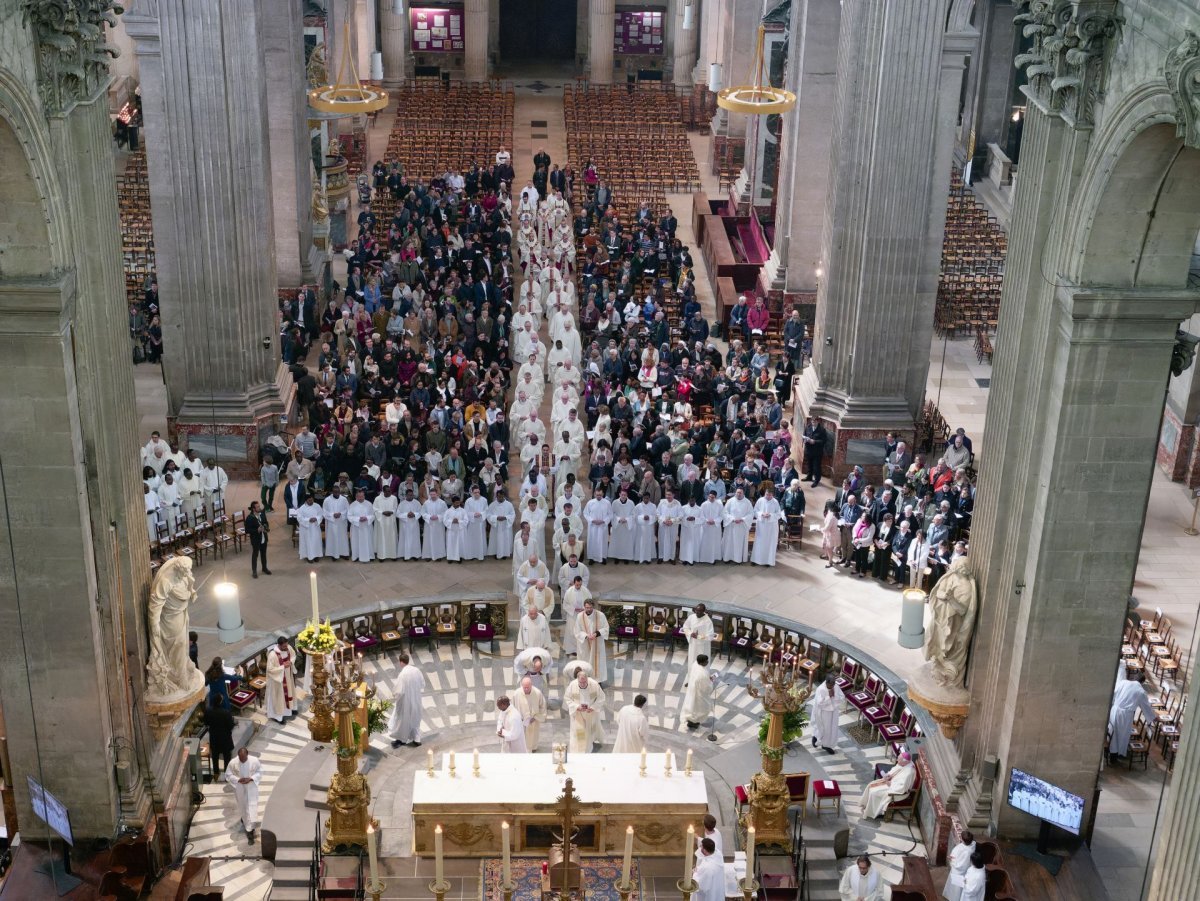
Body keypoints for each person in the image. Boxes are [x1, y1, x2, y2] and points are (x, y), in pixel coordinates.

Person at [1107, 672, 1156, 764]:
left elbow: (1114, 693)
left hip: (1115, 709)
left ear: (1134, 678)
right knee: (1121, 736)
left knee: (1113, 732)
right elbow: (1146, 707)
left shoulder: (1123, 682)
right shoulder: (1140, 691)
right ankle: (1116, 755)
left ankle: (1111, 752)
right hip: (1125, 715)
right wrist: (1152, 718)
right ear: (1142, 682)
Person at [859, 751, 916, 819]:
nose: (897, 760)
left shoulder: (909, 772)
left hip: (896, 791)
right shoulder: (904, 763)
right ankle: (866, 805)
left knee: (874, 793)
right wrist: (889, 775)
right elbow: (896, 769)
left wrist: (890, 784)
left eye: (899, 759)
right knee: (870, 785)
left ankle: (872, 812)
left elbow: (902, 787)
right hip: (890, 782)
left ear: (904, 762)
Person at [563, 668, 606, 752]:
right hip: (578, 713)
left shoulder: (594, 684)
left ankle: (588, 746)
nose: (582, 684)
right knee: (580, 732)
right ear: (577, 679)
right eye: (580, 682)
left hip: (590, 712)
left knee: (589, 731)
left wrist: (593, 707)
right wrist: (576, 707)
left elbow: (601, 697)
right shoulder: (572, 685)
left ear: (587, 679)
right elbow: (567, 698)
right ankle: (580, 748)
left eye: (584, 682)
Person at [388, 653, 425, 747]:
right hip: (416, 699)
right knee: (415, 719)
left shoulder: (403, 674)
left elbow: (398, 691)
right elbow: (422, 684)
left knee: (402, 720)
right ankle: (417, 739)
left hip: (406, 702)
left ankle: (401, 740)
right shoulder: (416, 670)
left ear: (401, 662)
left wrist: (394, 695)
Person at [225, 748, 261, 842]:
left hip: (251, 787)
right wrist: (238, 780)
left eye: (244, 758)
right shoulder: (233, 763)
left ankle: (250, 831)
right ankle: (246, 822)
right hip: (240, 788)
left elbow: (259, 772)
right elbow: (228, 775)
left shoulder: (254, 761)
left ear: (247, 755)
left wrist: (251, 778)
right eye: (240, 758)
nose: (242, 760)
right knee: (243, 807)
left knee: (252, 807)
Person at [575, 599, 610, 682]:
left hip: (597, 643)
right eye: (587, 607)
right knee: (584, 662)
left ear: (593, 607)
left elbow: (606, 628)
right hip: (585, 645)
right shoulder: (580, 616)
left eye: (590, 607)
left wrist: (596, 634)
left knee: (598, 662)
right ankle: (584, 679)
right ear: (584, 607)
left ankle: (598, 680)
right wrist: (586, 636)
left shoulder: (600, 615)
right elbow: (577, 631)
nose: (588, 609)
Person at [809, 673, 844, 754]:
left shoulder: (836, 686)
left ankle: (826, 745)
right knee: (823, 728)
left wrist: (834, 696)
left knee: (831, 729)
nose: (832, 686)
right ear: (827, 682)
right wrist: (829, 696)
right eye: (831, 684)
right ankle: (815, 737)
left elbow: (842, 697)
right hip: (823, 713)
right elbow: (819, 703)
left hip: (833, 712)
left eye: (833, 684)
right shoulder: (820, 689)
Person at [265, 636, 297, 723]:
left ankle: (291, 709)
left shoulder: (288, 647)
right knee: (279, 698)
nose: (286, 648)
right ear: (279, 645)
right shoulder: (272, 655)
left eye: (287, 645)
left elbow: (293, 655)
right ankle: (278, 717)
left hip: (288, 677)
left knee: (290, 692)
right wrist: (283, 667)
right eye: (284, 646)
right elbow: (270, 670)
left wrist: (290, 662)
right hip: (278, 680)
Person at [681, 654, 715, 729]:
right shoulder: (702, 674)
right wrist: (711, 681)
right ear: (702, 662)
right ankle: (694, 722)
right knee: (701, 708)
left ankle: (691, 721)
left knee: (692, 706)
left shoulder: (695, 664)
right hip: (699, 693)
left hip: (692, 690)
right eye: (706, 661)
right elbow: (706, 688)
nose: (707, 662)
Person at [751, 484, 783, 566]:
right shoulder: (760, 500)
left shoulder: (775, 502)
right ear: (765, 493)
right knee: (759, 542)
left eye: (770, 495)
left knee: (769, 543)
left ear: (773, 495)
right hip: (761, 526)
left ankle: (768, 561)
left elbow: (779, 514)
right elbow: (755, 511)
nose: (768, 496)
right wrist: (761, 514)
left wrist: (770, 515)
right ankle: (756, 560)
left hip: (771, 527)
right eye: (767, 495)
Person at [204, 697, 235, 775]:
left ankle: (216, 774)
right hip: (225, 739)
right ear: (221, 702)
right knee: (227, 757)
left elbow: (206, 723)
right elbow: (231, 726)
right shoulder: (226, 713)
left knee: (215, 757)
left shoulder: (208, 711)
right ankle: (227, 774)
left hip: (214, 738)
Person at [514, 676, 547, 751]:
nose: (526, 689)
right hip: (521, 721)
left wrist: (536, 717)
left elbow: (543, 706)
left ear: (531, 685)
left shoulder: (537, 693)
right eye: (524, 687)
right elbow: (512, 707)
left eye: (527, 687)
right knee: (522, 737)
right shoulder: (516, 693)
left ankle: (533, 748)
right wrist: (517, 718)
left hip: (534, 720)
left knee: (533, 735)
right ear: (521, 685)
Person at [943, 830, 976, 901]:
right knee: (960, 887)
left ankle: (953, 898)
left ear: (962, 839)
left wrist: (951, 859)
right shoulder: (973, 845)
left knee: (955, 887)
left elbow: (960, 865)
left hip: (958, 872)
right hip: (965, 871)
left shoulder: (964, 850)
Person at [722, 488, 753, 563]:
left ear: (743, 493)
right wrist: (732, 519)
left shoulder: (747, 502)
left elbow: (751, 514)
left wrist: (743, 519)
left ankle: (738, 559)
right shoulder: (730, 501)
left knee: (738, 543)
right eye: (737, 492)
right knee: (729, 542)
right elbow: (725, 512)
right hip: (731, 525)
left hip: (741, 526)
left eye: (740, 493)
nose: (738, 494)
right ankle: (727, 558)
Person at [584, 487, 613, 562]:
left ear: (603, 494)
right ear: (594, 494)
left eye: (600, 495)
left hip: (603, 526)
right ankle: (591, 558)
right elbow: (585, 513)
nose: (599, 496)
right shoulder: (590, 503)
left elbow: (610, 514)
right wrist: (592, 520)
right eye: (597, 495)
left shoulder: (607, 503)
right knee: (592, 541)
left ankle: (603, 557)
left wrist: (603, 521)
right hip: (593, 526)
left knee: (603, 541)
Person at [682, 605, 714, 673]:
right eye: (696, 610)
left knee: (701, 664)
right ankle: (691, 680)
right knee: (692, 661)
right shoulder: (692, 617)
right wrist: (691, 633)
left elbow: (711, 636)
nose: (697, 613)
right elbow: (685, 627)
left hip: (703, 647)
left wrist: (698, 637)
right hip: (693, 644)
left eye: (699, 611)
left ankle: (702, 679)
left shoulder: (708, 621)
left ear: (704, 611)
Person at [322, 486, 350, 559]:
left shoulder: (344, 499)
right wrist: (332, 515)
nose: (337, 493)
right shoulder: (327, 500)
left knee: (343, 537)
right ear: (332, 492)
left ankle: (344, 553)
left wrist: (340, 514)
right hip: (332, 523)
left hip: (341, 522)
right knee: (333, 538)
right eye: (335, 492)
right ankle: (334, 554)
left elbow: (348, 510)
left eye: (338, 492)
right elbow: (324, 511)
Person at [347, 488, 375, 563]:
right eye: (359, 497)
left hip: (367, 527)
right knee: (356, 541)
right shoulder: (352, 505)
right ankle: (356, 556)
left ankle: (370, 556)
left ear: (364, 496)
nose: (360, 498)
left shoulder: (369, 504)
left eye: (362, 496)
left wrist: (366, 518)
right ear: (356, 497)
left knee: (368, 541)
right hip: (356, 527)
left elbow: (373, 515)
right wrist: (358, 519)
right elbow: (349, 516)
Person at [373, 484, 399, 560]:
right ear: (383, 491)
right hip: (381, 522)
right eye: (387, 491)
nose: (389, 493)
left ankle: (393, 555)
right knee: (382, 538)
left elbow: (396, 508)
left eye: (390, 491)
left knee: (392, 537)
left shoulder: (394, 498)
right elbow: (375, 509)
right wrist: (382, 512)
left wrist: (391, 512)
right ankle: (382, 556)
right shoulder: (378, 499)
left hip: (391, 521)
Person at [245, 500, 271, 577]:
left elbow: (266, 522)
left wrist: (265, 526)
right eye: (258, 507)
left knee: (263, 554)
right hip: (256, 540)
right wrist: (257, 530)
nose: (259, 508)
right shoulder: (250, 518)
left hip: (263, 538)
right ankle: (254, 571)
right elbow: (247, 530)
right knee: (255, 555)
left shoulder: (262, 513)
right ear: (253, 509)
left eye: (259, 506)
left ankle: (264, 568)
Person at [421, 488, 448, 560]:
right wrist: (429, 517)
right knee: (428, 539)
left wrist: (438, 516)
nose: (433, 496)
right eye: (431, 494)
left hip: (438, 524)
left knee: (438, 539)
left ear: (437, 494)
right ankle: (428, 555)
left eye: (434, 494)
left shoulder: (442, 503)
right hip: (429, 524)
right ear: (429, 494)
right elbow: (423, 512)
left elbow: (445, 513)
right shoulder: (426, 503)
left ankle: (438, 555)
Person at [397, 488, 423, 559]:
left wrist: (414, 514)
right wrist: (406, 515)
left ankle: (415, 555)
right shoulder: (402, 503)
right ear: (406, 495)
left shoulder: (417, 503)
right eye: (409, 495)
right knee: (405, 539)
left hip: (414, 524)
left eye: (411, 495)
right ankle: (405, 555)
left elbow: (421, 512)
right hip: (404, 525)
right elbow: (398, 514)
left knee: (415, 539)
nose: (410, 496)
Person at [297, 495, 323, 561]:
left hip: (315, 527)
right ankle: (309, 557)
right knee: (308, 542)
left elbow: (321, 514)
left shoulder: (317, 506)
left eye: (312, 500)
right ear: (306, 501)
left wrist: (316, 518)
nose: (311, 502)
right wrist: (308, 520)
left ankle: (316, 556)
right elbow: (299, 518)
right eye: (309, 500)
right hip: (306, 529)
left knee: (316, 541)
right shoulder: (302, 508)